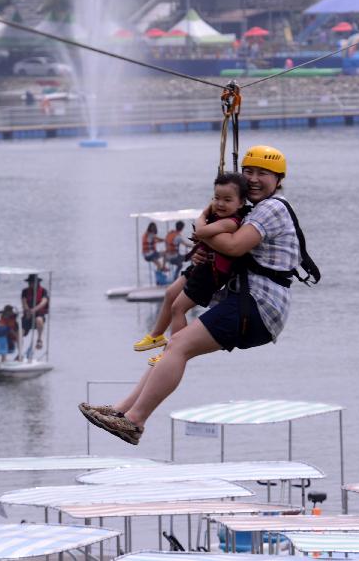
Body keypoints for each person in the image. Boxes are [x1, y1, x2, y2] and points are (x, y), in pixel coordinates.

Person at [81, 145, 306, 445]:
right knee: (175, 344)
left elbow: (235, 246)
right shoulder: (252, 208)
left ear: (278, 180)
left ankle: (135, 421)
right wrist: (207, 248)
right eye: (248, 172)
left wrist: (204, 233)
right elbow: (226, 242)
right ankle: (123, 411)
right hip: (247, 301)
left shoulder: (273, 208)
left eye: (263, 174)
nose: (253, 179)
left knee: (178, 347)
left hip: (259, 305)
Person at [133, 173, 250, 366]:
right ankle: (156, 335)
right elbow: (202, 231)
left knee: (178, 308)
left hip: (211, 273)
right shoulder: (218, 215)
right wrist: (207, 214)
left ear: (240, 203)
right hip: (201, 264)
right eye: (216, 198)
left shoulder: (231, 222)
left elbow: (200, 231)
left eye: (227, 200)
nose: (220, 204)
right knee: (170, 293)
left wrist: (204, 215)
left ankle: (171, 351)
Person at [21, 274, 49, 350]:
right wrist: (28, 311)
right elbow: (24, 302)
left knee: (39, 320)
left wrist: (34, 309)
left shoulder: (43, 291)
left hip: (39, 314)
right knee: (20, 332)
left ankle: (39, 340)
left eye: (32, 282)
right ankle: (19, 352)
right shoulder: (25, 291)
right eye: (30, 283)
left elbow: (44, 302)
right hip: (28, 314)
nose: (31, 284)